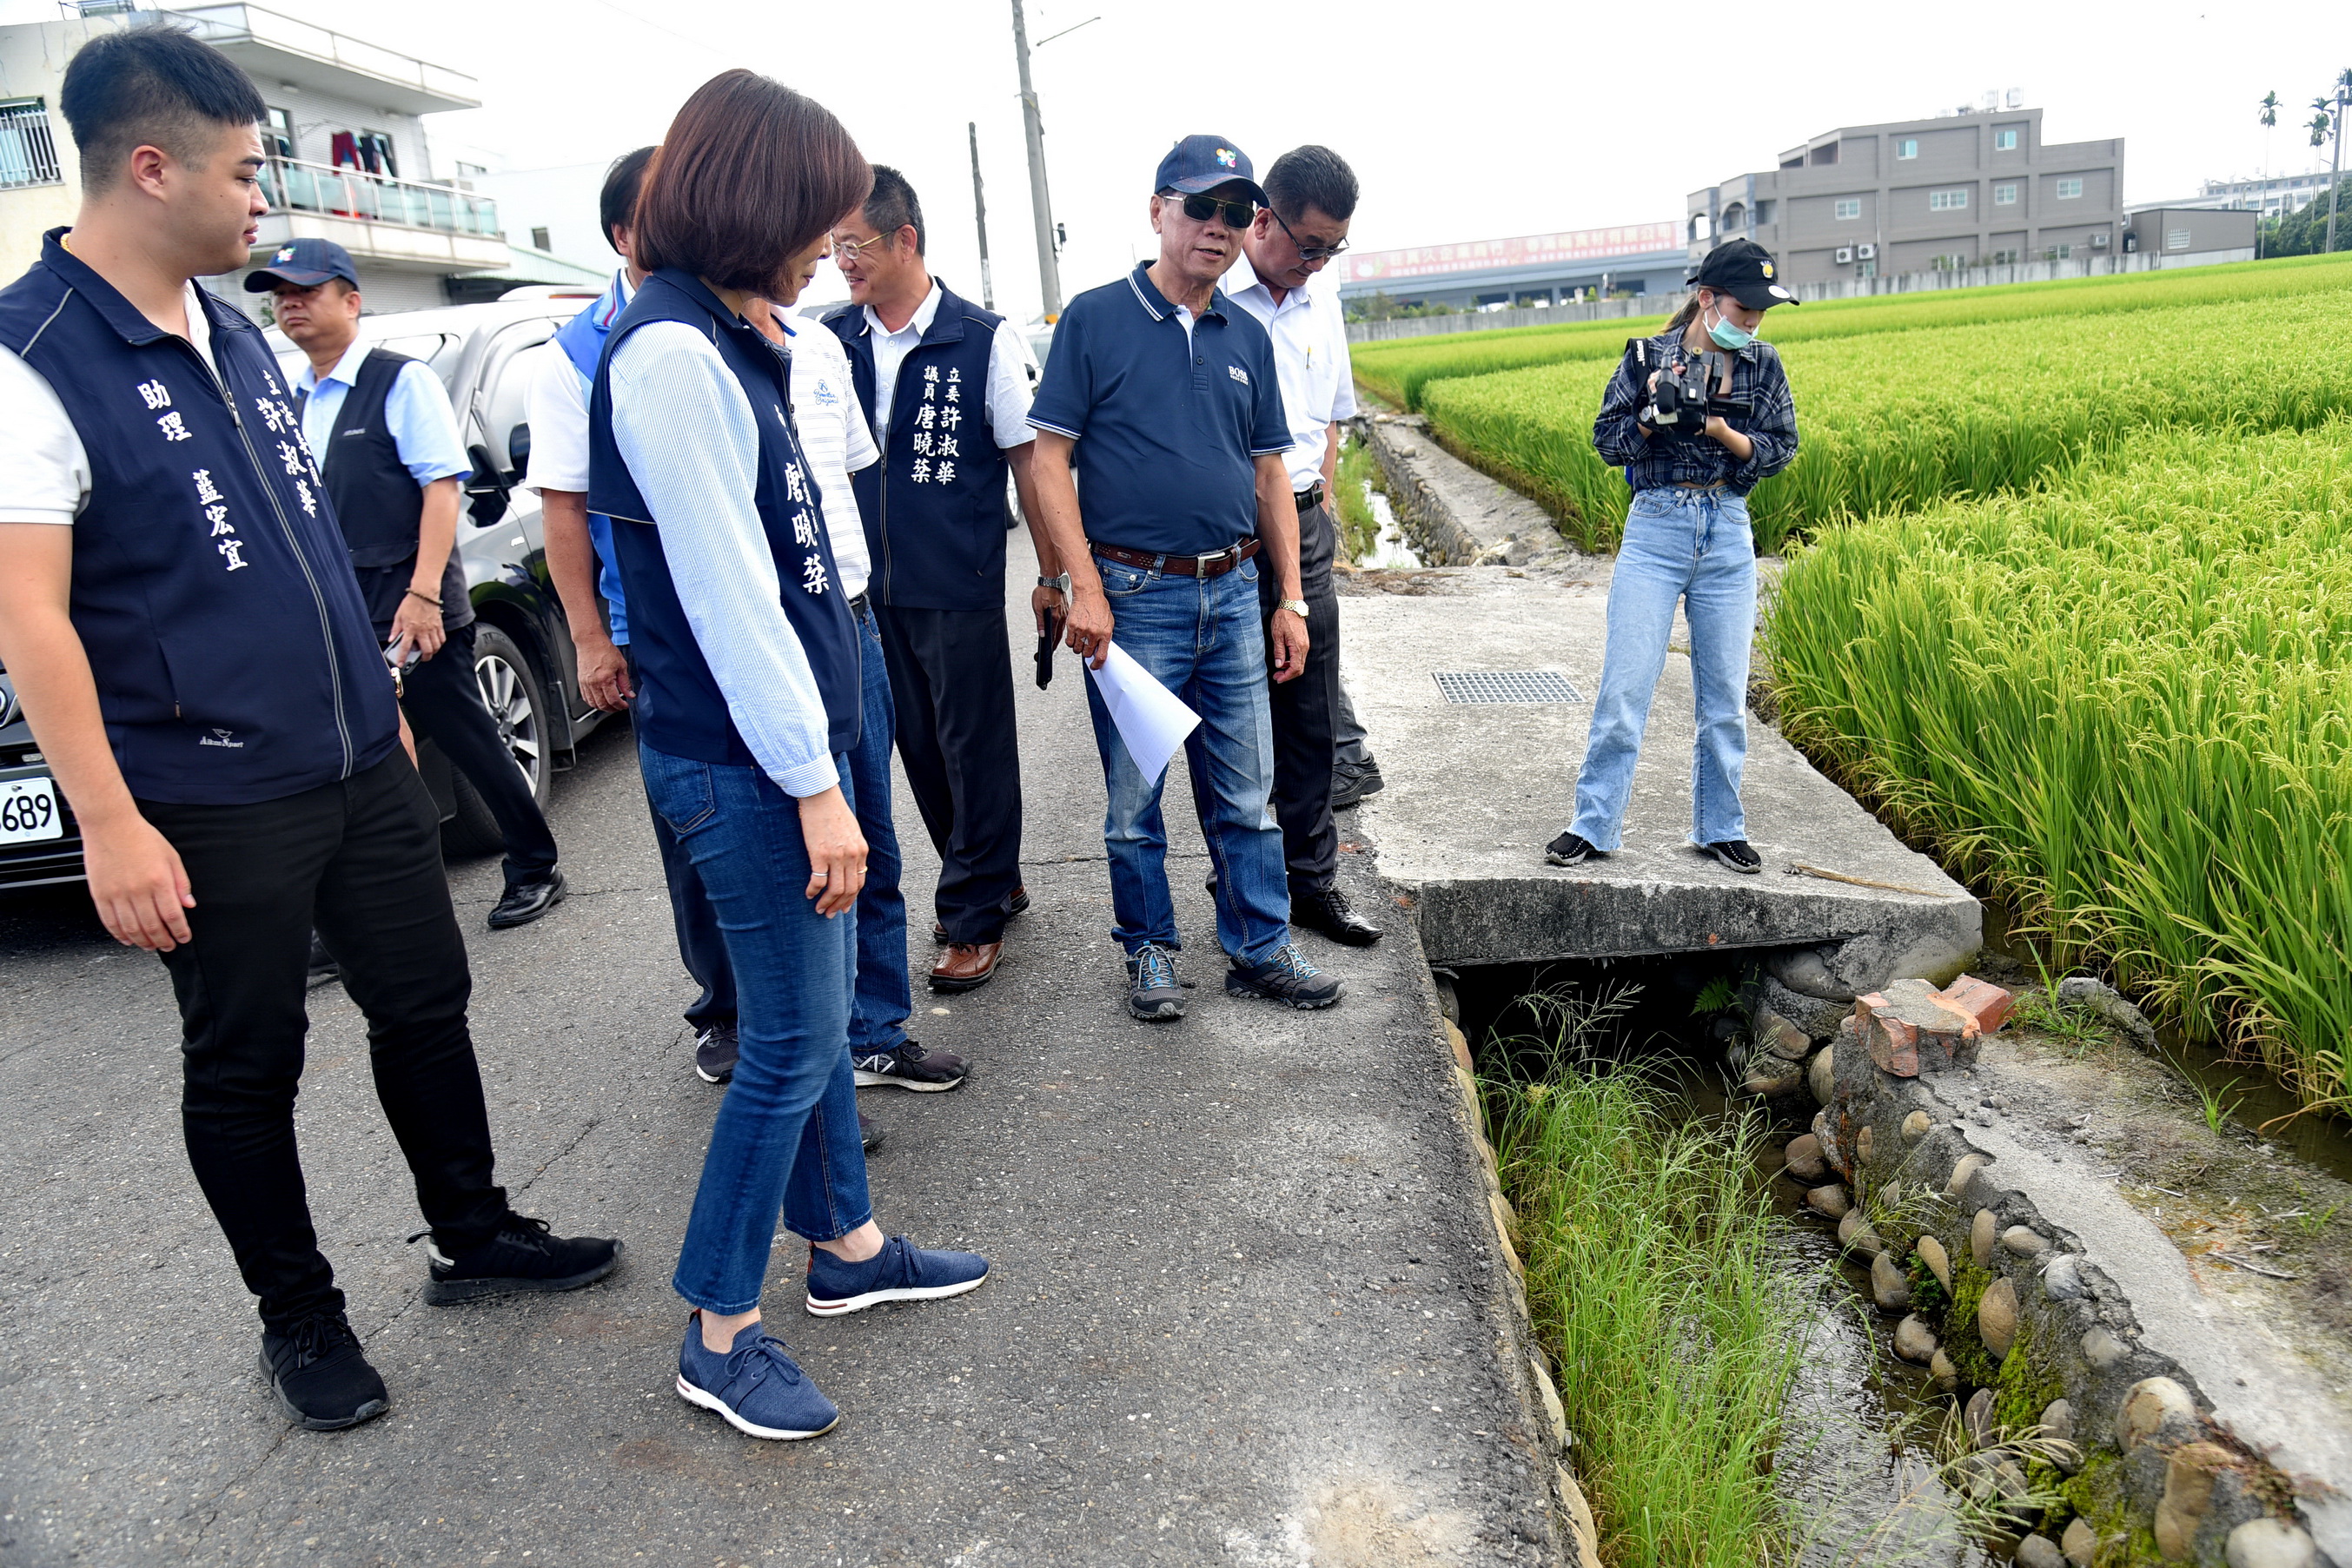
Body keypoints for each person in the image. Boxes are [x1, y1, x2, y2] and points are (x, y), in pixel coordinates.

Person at [0, 26, 618, 1435]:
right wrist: (110, 823)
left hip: (352, 756)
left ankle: (474, 1230)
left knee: (424, 998)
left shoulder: (228, 330)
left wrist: (372, 698)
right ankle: (300, 1315)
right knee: (246, 1061)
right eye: (242, 172)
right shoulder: (32, 360)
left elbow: (301, 539)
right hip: (206, 794)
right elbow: (28, 616)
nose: (261, 201)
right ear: (149, 168)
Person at [587, 70, 987, 1441]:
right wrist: (817, 786)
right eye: (817, 217)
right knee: (789, 1042)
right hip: (740, 763)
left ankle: (848, 1247)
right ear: (753, 203)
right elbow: (728, 597)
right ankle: (717, 1328)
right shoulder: (670, 355)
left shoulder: (733, 333)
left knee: (808, 1026)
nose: (832, 243)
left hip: (777, 746)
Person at [529, 153, 944, 1120]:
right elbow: (697, 569)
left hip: (836, 616)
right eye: (811, 227)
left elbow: (838, 485)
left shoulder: (790, 336)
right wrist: (592, 636)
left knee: (864, 847)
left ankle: (864, 1039)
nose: (824, 253)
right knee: (763, 884)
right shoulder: (642, 352)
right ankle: (751, 1027)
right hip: (715, 653)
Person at [1025, 135, 1343, 1022]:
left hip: (1233, 593)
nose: (1217, 226)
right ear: (1158, 210)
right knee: (1136, 799)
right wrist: (1083, 587)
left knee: (1246, 794)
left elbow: (1271, 472)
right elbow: (1049, 461)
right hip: (1134, 599)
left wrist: (1288, 598)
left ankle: (1258, 947)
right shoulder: (1096, 319)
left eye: (1236, 212)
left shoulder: (1246, 334)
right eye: (1200, 207)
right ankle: (1150, 950)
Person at [254, 237, 566, 930]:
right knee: (358, 760)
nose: (289, 305)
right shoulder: (293, 396)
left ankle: (534, 864)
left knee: (467, 736)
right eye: (280, 296)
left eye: (306, 291)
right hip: (340, 611)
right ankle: (366, 911)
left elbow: (441, 488)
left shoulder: (400, 381)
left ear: (351, 301)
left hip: (409, 604)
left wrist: (424, 595)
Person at [822, 168, 1047, 995]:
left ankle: (974, 915)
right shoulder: (829, 341)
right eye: (834, 247)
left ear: (905, 239)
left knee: (972, 747)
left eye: (854, 244)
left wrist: (1054, 573)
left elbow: (1030, 464)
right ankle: (991, 875)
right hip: (867, 588)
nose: (841, 261)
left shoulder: (982, 339)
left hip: (958, 580)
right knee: (919, 750)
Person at [1545, 238, 1800, 875]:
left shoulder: (1764, 364)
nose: (1752, 323)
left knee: (1725, 698)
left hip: (1727, 530)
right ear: (1707, 298)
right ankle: (1592, 823)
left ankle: (1721, 827)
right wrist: (1650, 417)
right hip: (1655, 530)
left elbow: (1780, 448)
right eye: (1743, 309)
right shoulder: (1645, 358)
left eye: (1760, 313)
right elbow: (1607, 443)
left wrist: (1719, 429)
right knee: (1624, 687)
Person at [1216, 144, 1381, 948]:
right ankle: (1238, 882)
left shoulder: (1321, 300)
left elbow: (1330, 420)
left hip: (1304, 525)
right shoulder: (1210, 295)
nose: (1315, 263)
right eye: (1308, 245)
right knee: (1229, 719)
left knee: (1311, 713)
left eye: (1330, 249)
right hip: (1224, 533)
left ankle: (1312, 883)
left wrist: (1322, 519)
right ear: (1261, 219)